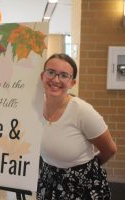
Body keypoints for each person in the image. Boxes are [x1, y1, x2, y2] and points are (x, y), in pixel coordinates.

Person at [37, 53, 117, 199]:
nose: (55, 79)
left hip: (82, 184)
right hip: (48, 178)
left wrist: (86, 168)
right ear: (42, 75)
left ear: (72, 83)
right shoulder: (35, 106)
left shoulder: (82, 111)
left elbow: (110, 149)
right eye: (51, 72)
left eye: (64, 75)